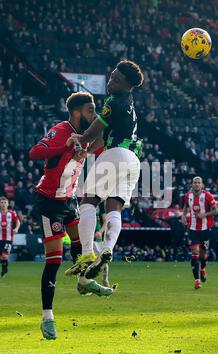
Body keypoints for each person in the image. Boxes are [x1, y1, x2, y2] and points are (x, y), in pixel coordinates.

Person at [29, 92, 113, 341]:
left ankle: (84, 280)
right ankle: (47, 317)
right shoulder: (61, 130)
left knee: (81, 244)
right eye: (90, 109)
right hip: (49, 203)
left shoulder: (85, 135)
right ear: (76, 112)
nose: (94, 114)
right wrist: (62, 146)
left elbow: (100, 142)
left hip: (68, 200)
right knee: (54, 261)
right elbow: (34, 152)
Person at [65, 60, 144, 286]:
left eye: (116, 80)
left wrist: (79, 140)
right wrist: (88, 148)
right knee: (114, 207)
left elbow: (93, 132)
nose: (110, 82)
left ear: (127, 84)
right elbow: (101, 134)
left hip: (115, 155)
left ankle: (88, 253)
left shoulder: (114, 101)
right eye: (111, 77)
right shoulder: (128, 103)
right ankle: (107, 249)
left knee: (89, 200)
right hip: (133, 161)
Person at [181, 177, 218, 289]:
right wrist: (183, 215)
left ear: (202, 185)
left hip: (205, 229)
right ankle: (196, 281)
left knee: (203, 255)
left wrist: (205, 214)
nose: (196, 184)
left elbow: (216, 210)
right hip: (193, 229)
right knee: (195, 252)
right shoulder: (188, 195)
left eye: (199, 183)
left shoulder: (207, 196)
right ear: (192, 184)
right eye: (195, 183)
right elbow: (186, 206)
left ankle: (202, 269)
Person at [0, 197, 20, 277]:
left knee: (5, 255)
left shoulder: (12, 213)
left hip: (9, 238)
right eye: (2, 202)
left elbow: (18, 221)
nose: (3, 204)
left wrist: (16, 228)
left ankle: (4, 268)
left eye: (5, 202)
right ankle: (5, 266)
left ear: (8, 204)